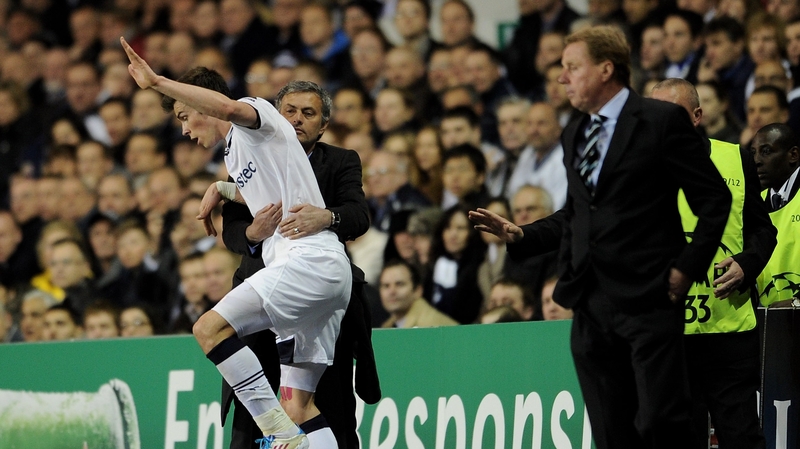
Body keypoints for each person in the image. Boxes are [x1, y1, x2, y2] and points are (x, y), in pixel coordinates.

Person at [470, 25, 731, 449]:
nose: (562, 78)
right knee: (610, 432)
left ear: (606, 69)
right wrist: (523, 234)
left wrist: (686, 268)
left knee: (661, 424)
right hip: (590, 304)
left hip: (648, 299)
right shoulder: (574, 132)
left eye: (572, 67)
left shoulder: (660, 121)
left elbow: (715, 200)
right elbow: (578, 214)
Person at [122, 38, 358, 449]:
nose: (184, 129)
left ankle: (277, 433)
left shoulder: (256, 115)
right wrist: (222, 188)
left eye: (184, 116)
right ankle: (288, 428)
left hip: (306, 264)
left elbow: (229, 109)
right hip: (326, 272)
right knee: (298, 405)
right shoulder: (237, 153)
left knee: (208, 329)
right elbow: (270, 196)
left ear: (202, 105)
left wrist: (158, 81)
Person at [220, 80, 380, 449]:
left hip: (318, 297)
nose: (296, 119)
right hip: (261, 293)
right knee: (253, 412)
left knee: (326, 403)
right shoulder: (250, 157)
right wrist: (254, 233)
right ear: (275, 117)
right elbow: (232, 230)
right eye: (289, 111)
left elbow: (358, 215)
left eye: (308, 113)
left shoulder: (341, 160)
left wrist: (326, 217)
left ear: (323, 126)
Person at [651, 78, 775, 449]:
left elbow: (763, 230)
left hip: (729, 333)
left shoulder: (736, 158)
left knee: (742, 437)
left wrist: (746, 265)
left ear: (697, 116)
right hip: (669, 337)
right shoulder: (637, 167)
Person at [752, 123, 800, 305]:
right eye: (753, 153)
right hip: (768, 316)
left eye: (766, 151)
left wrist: (797, 302)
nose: (756, 161)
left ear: (793, 155)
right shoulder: (754, 203)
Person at [379, 259, 457, 328]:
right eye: (386, 286)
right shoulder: (388, 326)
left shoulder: (431, 326)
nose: (392, 291)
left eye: (400, 284)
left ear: (417, 291)